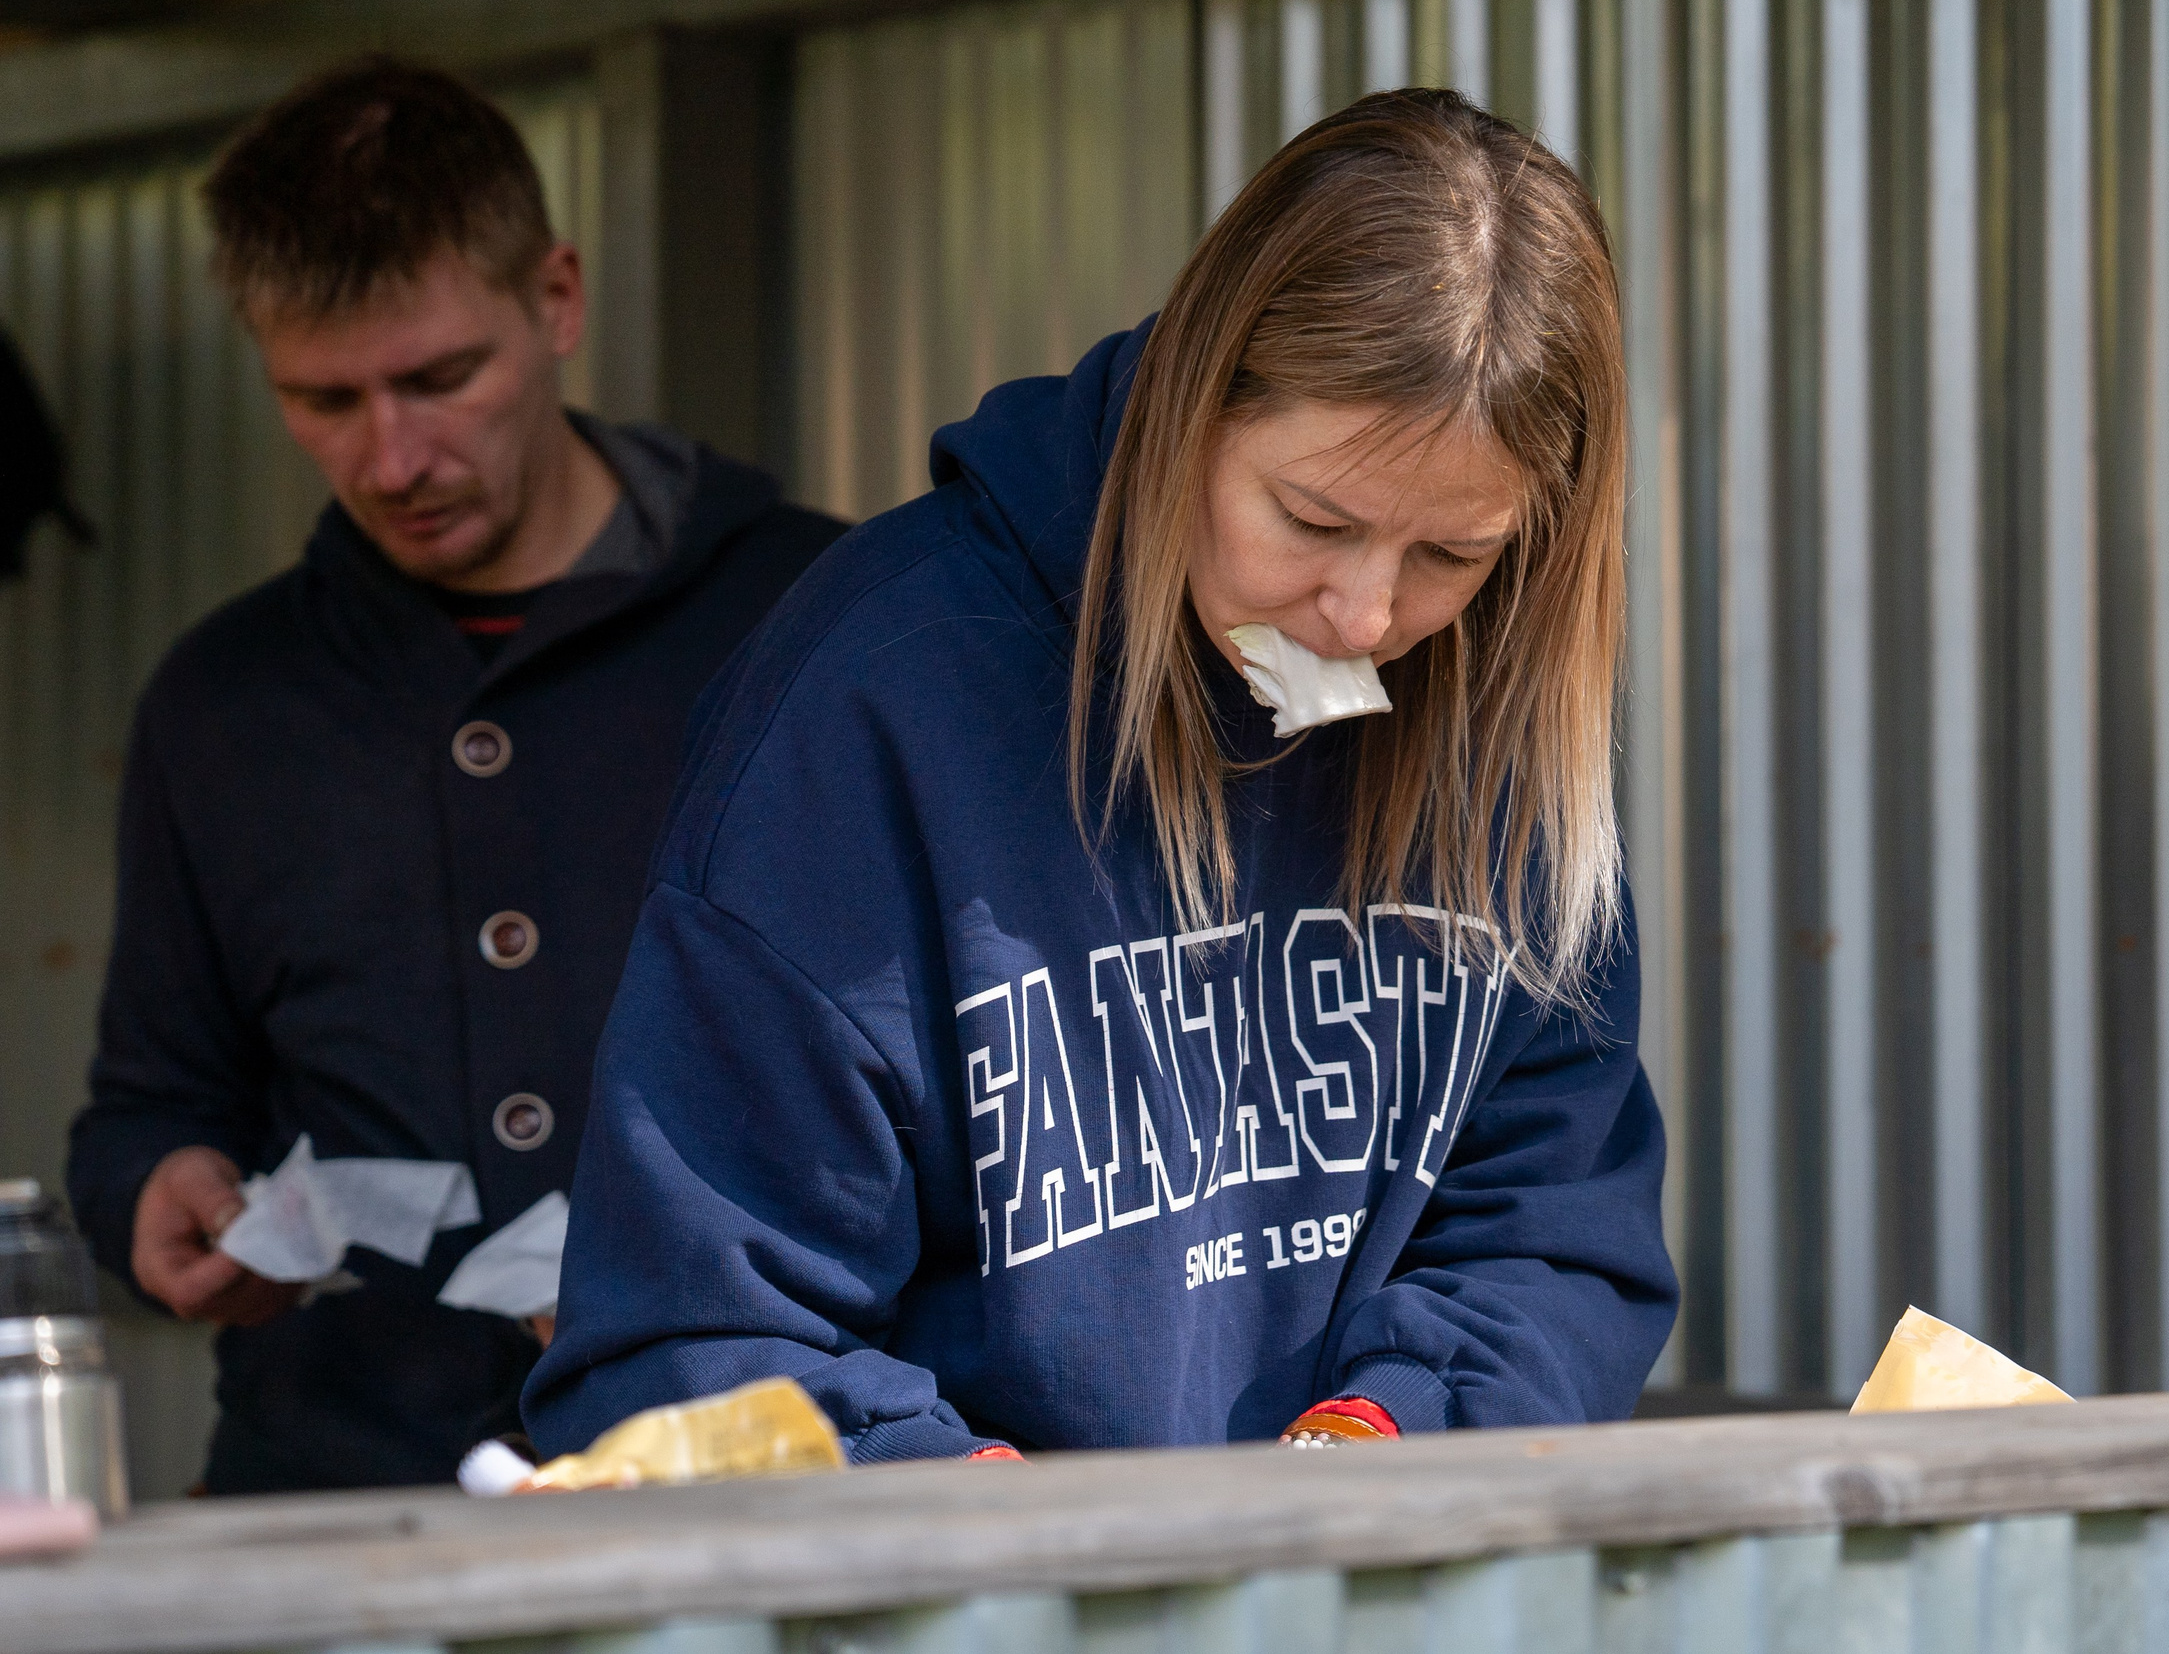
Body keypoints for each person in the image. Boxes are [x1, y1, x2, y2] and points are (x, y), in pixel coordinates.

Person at [522, 89, 1676, 1463]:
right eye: (1312, 517)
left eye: (1454, 554)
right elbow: (691, 1339)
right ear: (1194, 401)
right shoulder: (870, 703)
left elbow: (1548, 1217)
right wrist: (1009, 1539)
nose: (1365, 616)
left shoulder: (1486, 692)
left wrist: (1395, 1437)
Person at [65, 57, 844, 1494]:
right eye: (324, 397)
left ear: (556, 298)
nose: (393, 454)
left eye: (441, 377)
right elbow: (149, 1099)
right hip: (339, 1497)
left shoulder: (816, 619)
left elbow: (977, 1056)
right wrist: (153, 1190)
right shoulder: (219, 703)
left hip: (748, 1476)